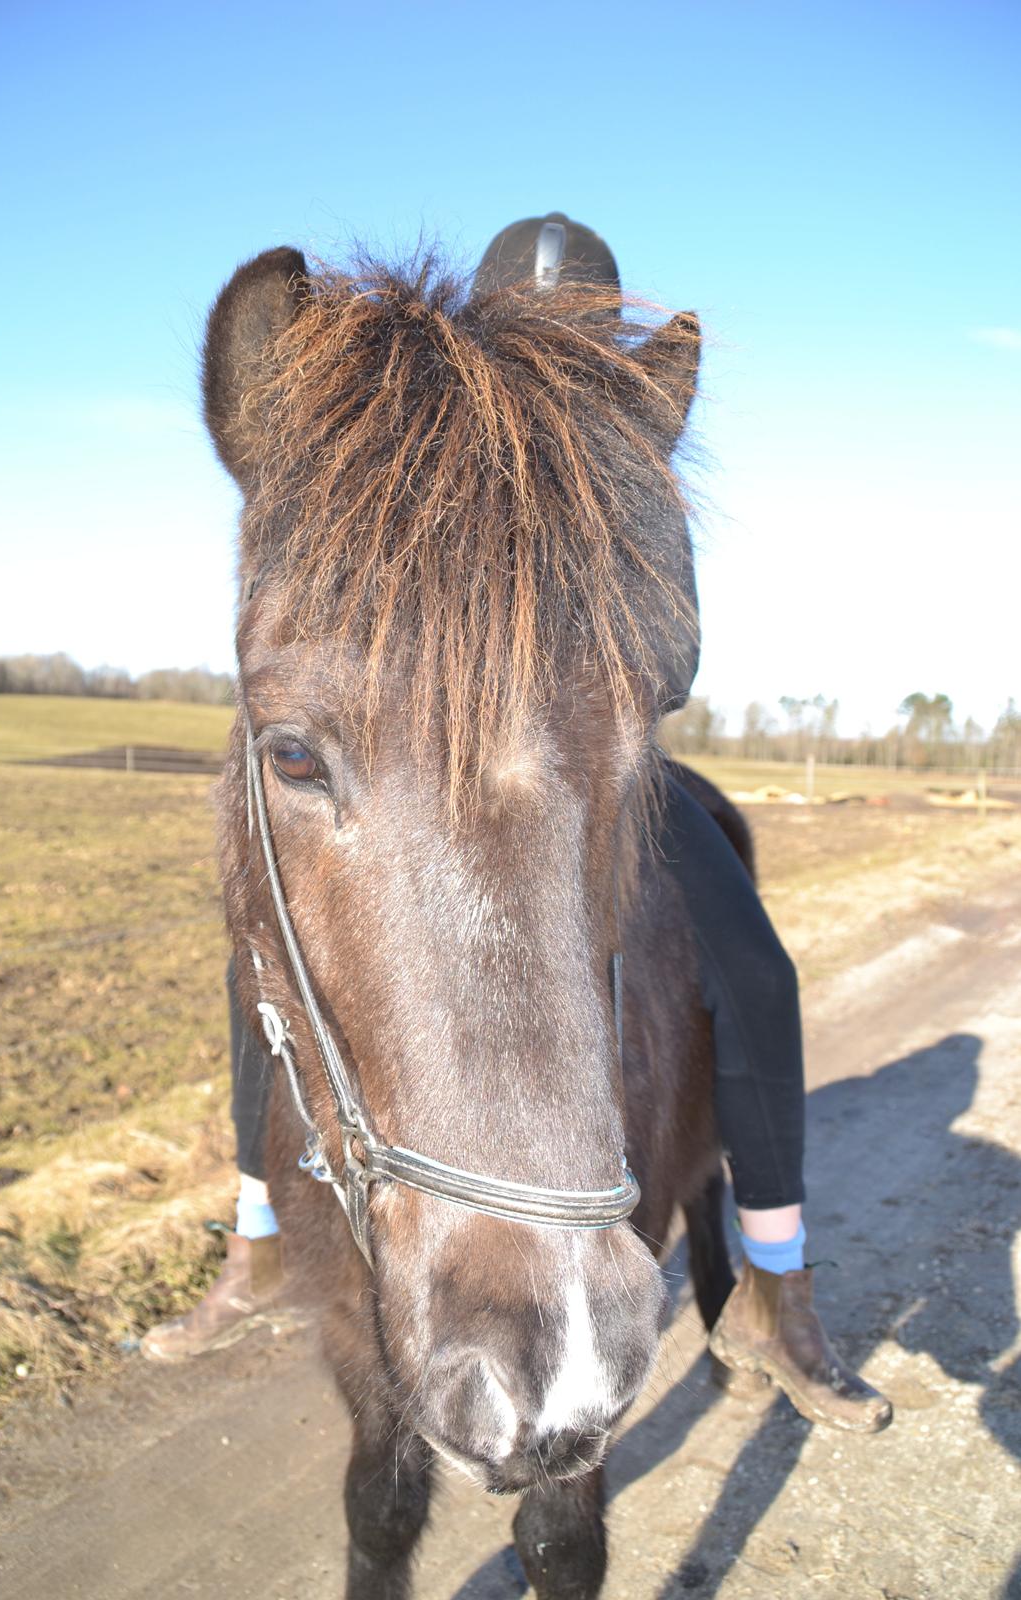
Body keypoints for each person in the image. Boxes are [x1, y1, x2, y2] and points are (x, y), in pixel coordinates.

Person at [144, 215, 892, 1435]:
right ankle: (259, 1232)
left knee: (752, 965)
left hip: (585, 759)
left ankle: (773, 1277)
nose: (563, 344)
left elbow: (676, 646)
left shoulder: (621, 453)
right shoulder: (435, 440)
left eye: (584, 328)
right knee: (266, 969)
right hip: (430, 756)